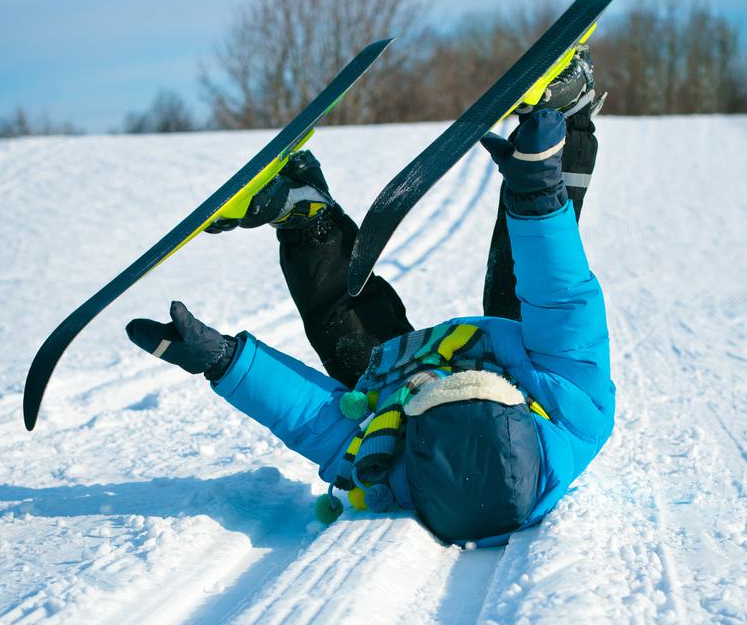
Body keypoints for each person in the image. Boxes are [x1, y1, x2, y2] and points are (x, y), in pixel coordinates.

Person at [126, 48, 613, 546]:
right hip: (517, 354)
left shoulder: (393, 467)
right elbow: (561, 298)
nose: (455, 381)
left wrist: (224, 363)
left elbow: (315, 421)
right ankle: (566, 115)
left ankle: (305, 215)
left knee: (349, 340)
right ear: (523, 414)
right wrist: (535, 193)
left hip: (407, 380)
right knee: (523, 280)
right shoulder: (574, 414)